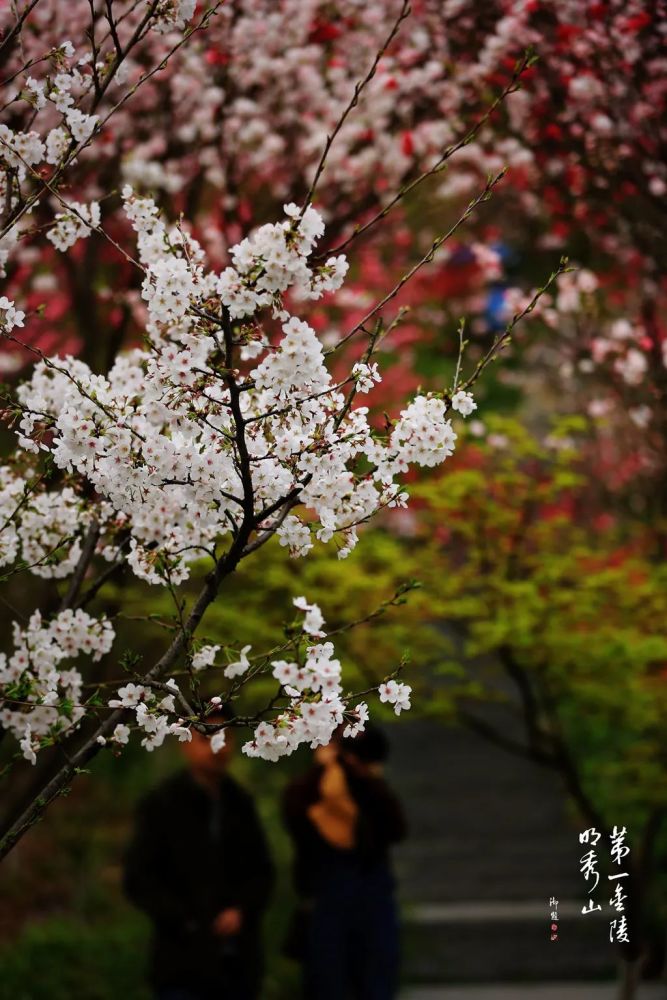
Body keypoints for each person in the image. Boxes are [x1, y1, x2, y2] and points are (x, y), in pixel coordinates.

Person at [124, 712, 274, 1000]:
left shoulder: (241, 803)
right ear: (185, 741)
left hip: (239, 964)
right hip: (181, 962)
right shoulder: (161, 804)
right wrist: (187, 920)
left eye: (225, 737)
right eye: (207, 738)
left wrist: (241, 910)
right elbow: (139, 878)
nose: (218, 747)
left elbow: (263, 872)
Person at [283, 724, 407, 1000]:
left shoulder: (370, 787)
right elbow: (295, 819)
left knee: (376, 980)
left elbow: (396, 829)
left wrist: (366, 777)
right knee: (328, 982)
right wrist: (322, 772)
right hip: (326, 897)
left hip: (372, 895)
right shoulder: (309, 787)